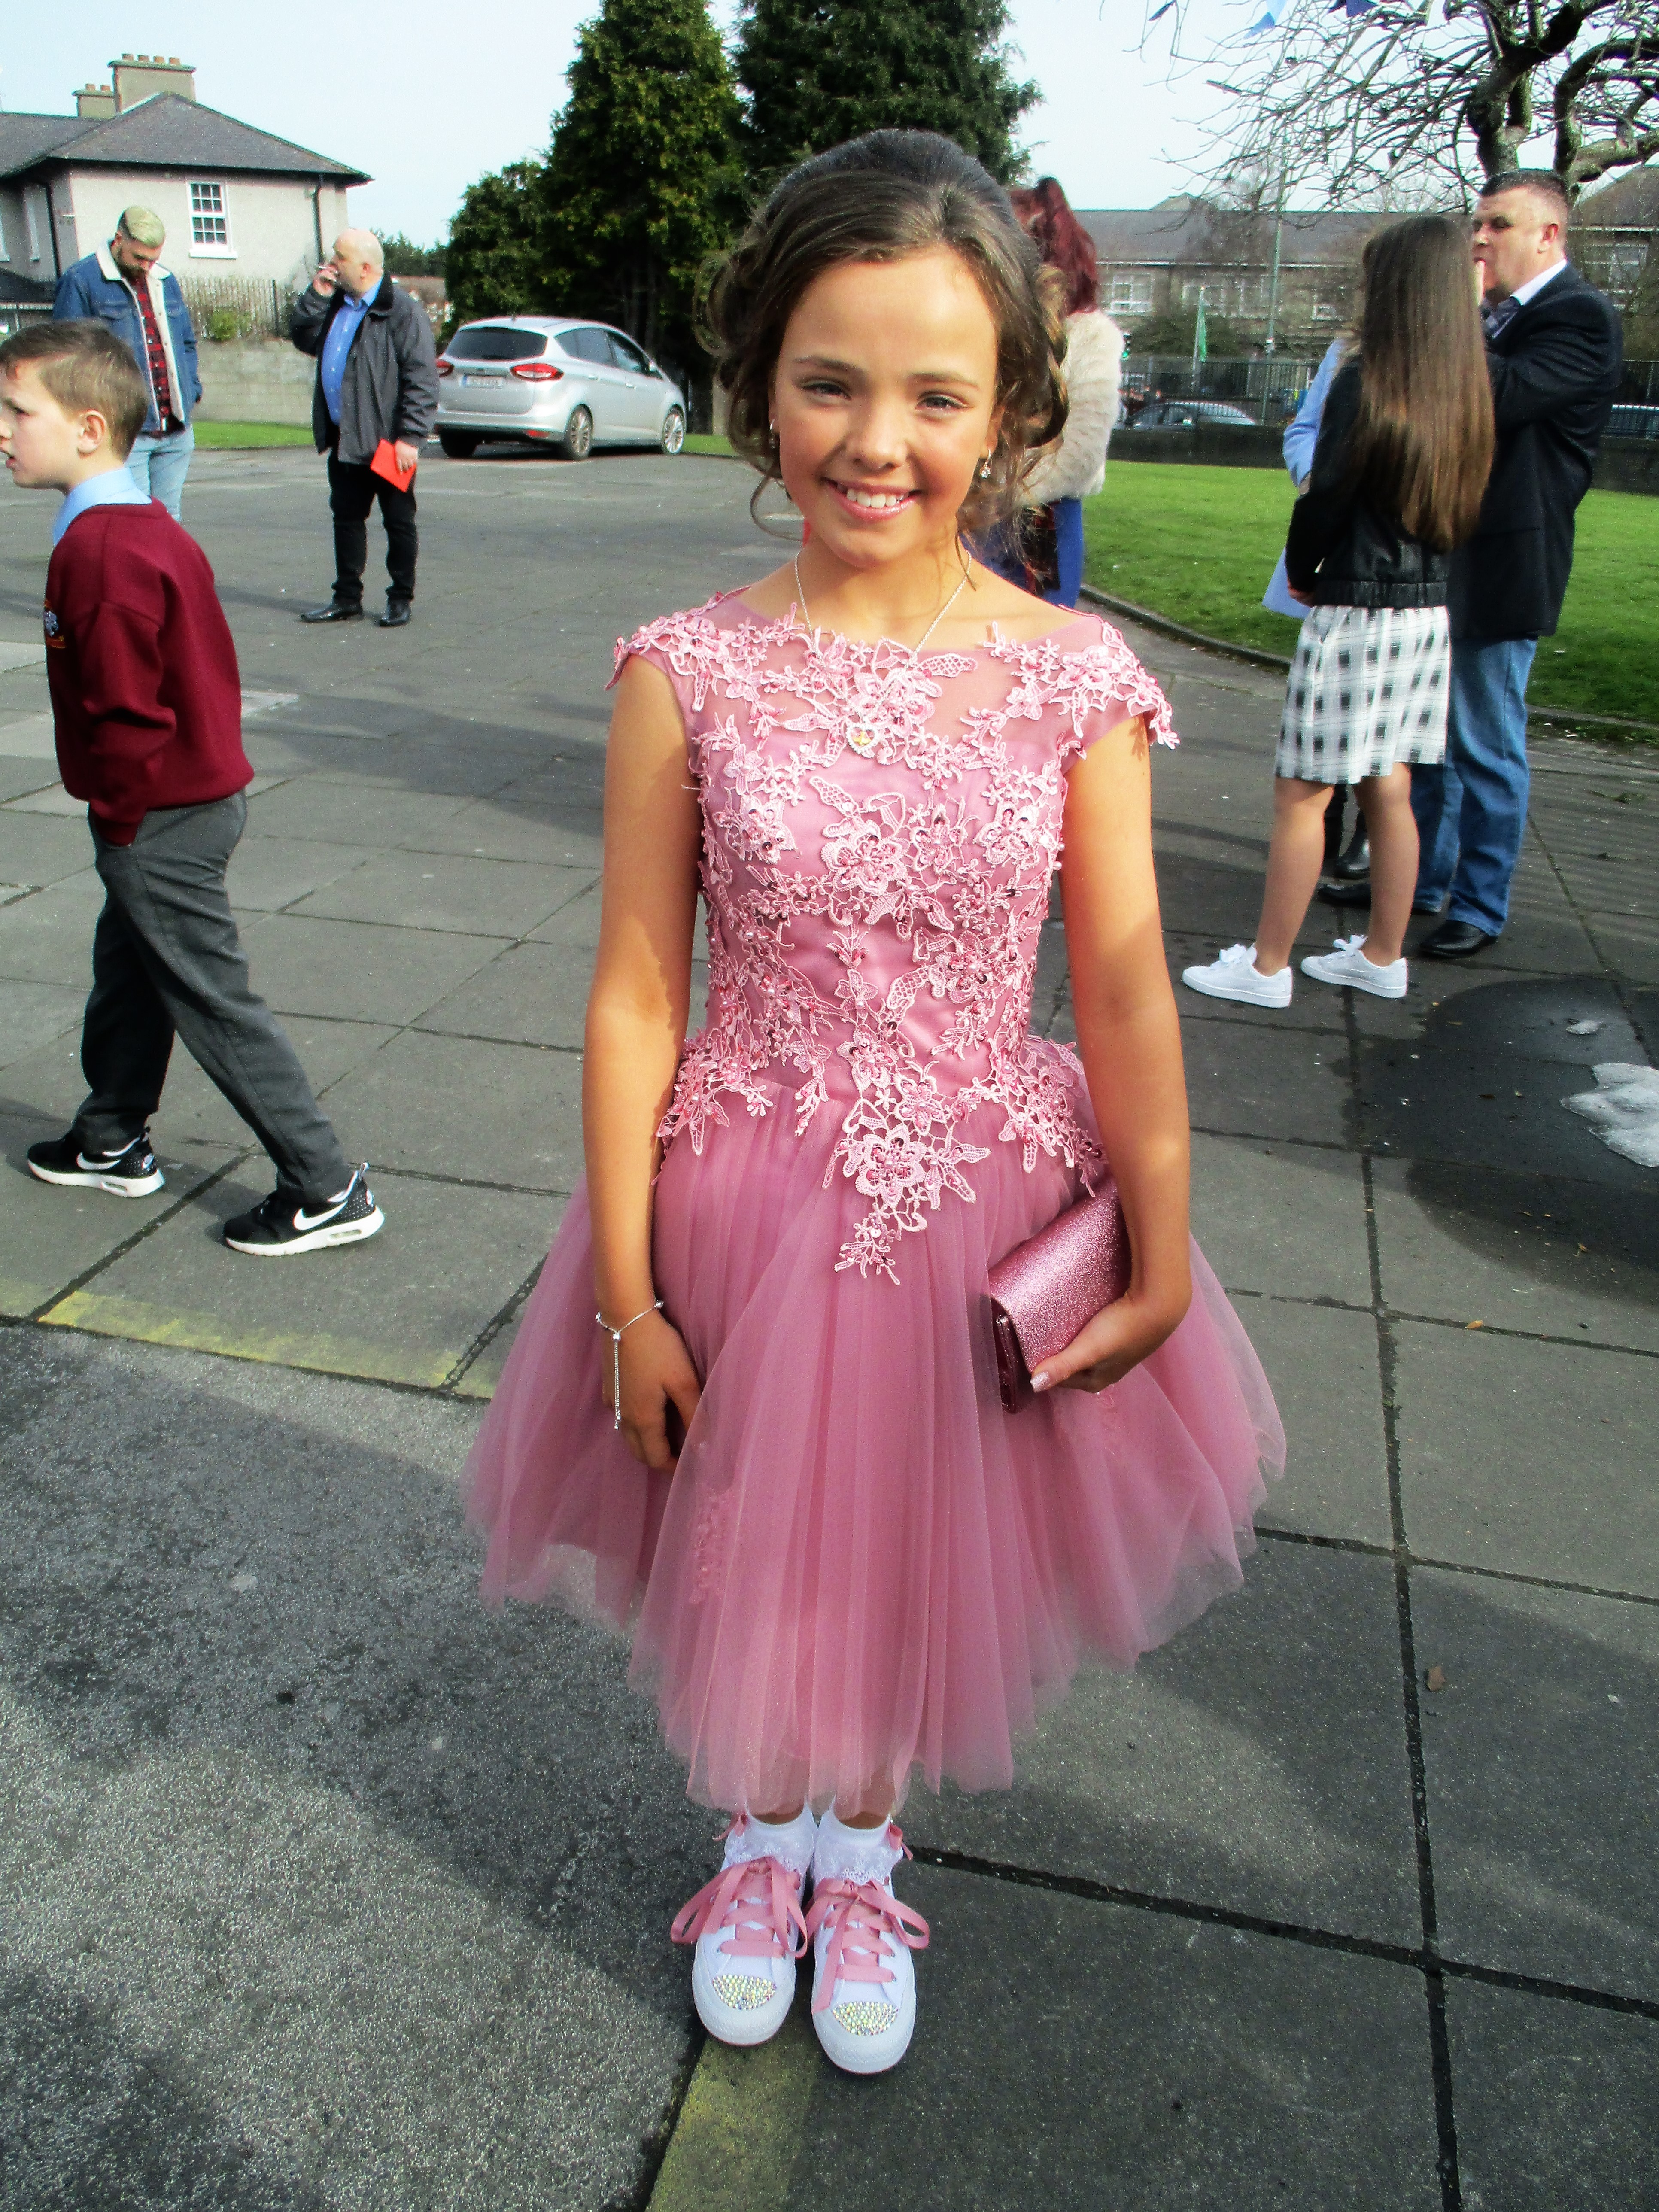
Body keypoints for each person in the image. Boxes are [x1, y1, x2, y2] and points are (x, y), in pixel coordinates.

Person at [465, 131, 1282, 2078]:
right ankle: (763, 1844)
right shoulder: (687, 673)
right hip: (740, 1195)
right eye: (830, 382)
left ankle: (864, 1846)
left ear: (1009, 415)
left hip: (977, 1201)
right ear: (762, 383)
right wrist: (629, 1299)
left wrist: (1163, 1244)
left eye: (935, 393)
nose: (878, 439)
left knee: (910, 1546)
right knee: (756, 1544)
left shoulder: (1074, 678)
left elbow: (1122, 982)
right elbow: (638, 993)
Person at [0, 320, 384, 1256]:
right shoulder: (141, 528)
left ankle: (325, 1185)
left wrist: (121, 817)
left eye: (17, 411)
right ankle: (110, 1135)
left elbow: (128, 714)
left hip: (159, 813)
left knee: (211, 998)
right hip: (186, 800)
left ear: (89, 428)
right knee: (133, 967)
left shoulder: (100, 553)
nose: (2, 430)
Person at [1181, 214, 1495, 1009]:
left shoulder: (1366, 380)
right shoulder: (1466, 386)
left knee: (1302, 794)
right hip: (1425, 613)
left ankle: (1265, 969)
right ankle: (1382, 956)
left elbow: (1326, 497)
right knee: (1389, 784)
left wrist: (1301, 571)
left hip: (1355, 607)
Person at [1323, 170, 1622, 958]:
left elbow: (1499, 396)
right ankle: (1420, 881)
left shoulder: (1578, 318)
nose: (1478, 241)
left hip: (1505, 564)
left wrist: (1447, 313)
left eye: (1497, 225)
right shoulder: (1491, 320)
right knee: (1424, 738)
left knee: (1485, 743)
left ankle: (1480, 905)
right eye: (1476, 225)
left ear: (1548, 236)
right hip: (1440, 553)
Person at [980, 176, 1122, 606]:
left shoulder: (1090, 336)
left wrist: (996, 495)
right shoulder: (984, 327)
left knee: (1036, 637)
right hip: (972, 516)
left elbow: (1080, 456)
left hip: (1043, 523)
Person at [290, 229, 438, 629]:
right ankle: (346, 598)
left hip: (388, 442)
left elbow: (422, 378)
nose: (332, 265)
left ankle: (400, 597)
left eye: (339, 258)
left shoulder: (401, 311)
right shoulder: (336, 304)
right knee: (346, 518)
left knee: (398, 521)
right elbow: (303, 337)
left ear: (366, 267)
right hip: (346, 437)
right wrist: (316, 296)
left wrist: (411, 437)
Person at [1262, 336, 1370, 881]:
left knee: (1372, 712)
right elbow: (1304, 428)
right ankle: (1326, 819)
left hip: (1384, 557)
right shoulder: (1347, 347)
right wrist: (1317, 473)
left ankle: (1368, 825)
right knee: (1328, 701)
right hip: (1337, 537)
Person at [52, 207, 200, 520]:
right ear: (119, 239)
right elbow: (67, 358)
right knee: (131, 520)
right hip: (124, 431)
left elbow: (186, 342)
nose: (147, 267)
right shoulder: (80, 281)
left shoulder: (166, 280)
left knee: (168, 520)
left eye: (153, 260)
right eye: (140, 258)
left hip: (175, 428)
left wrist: (193, 390)